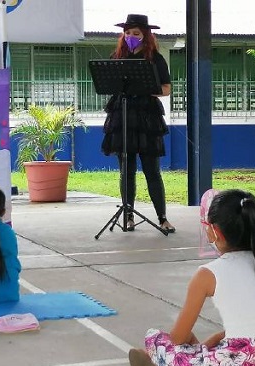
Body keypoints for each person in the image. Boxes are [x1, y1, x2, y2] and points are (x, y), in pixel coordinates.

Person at [129, 189, 255, 366]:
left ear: (214, 231)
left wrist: (201, 346)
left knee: (155, 338)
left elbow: (177, 337)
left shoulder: (207, 274)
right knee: (215, 346)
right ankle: (202, 358)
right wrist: (210, 343)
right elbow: (254, 327)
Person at [101, 14, 175, 233]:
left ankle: (162, 218)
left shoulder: (155, 59)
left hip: (146, 118)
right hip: (122, 115)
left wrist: (146, 89)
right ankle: (129, 216)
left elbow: (167, 88)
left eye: (136, 34)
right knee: (127, 170)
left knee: (152, 170)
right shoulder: (116, 57)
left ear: (145, 36)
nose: (131, 37)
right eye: (127, 33)